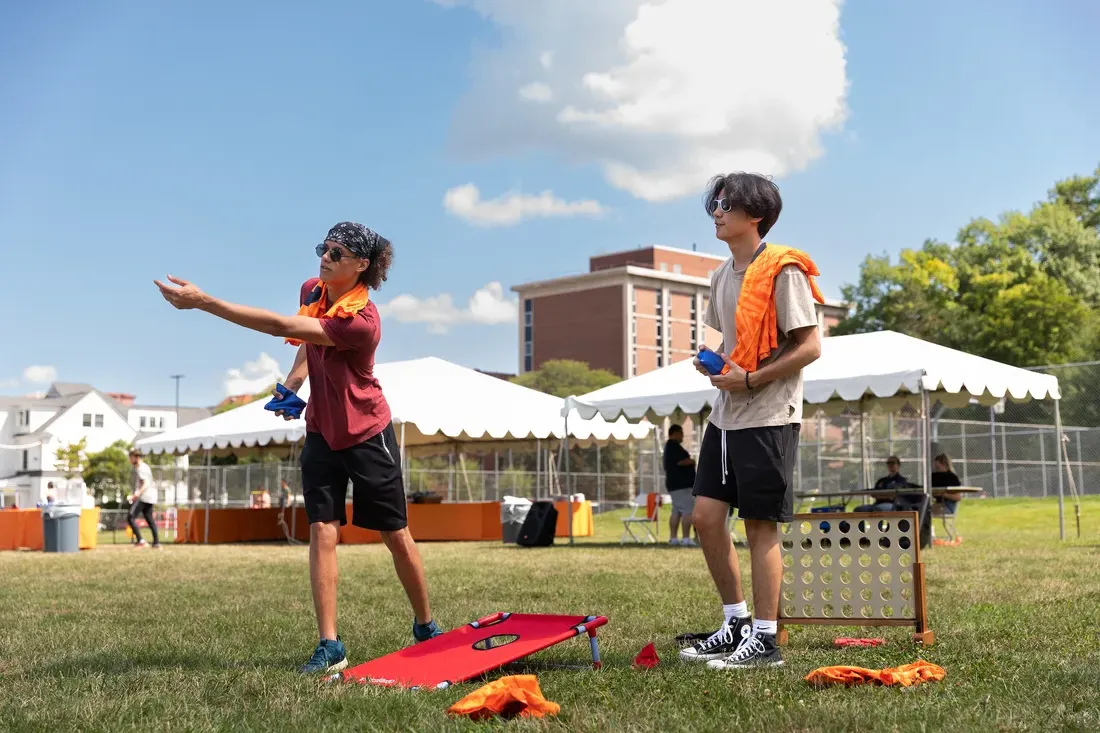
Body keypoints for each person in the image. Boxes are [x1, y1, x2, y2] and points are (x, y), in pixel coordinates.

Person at [155, 221, 441, 675]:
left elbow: (282, 326)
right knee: (322, 531)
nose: (324, 258)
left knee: (395, 535)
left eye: (337, 252)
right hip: (323, 433)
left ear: (362, 265)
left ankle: (426, 627)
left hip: (368, 432)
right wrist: (293, 383)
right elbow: (306, 336)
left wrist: (206, 302)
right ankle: (330, 645)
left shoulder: (362, 322)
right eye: (323, 248)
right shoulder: (315, 288)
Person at [679, 172, 823, 670]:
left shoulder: (784, 271)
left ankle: (766, 640)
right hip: (726, 415)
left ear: (754, 214)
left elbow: (810, 346)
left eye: (725, 204)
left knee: (760, 526)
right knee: (705, 517)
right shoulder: (721, 276)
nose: (716, 211)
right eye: (713, 204)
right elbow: (734, 343)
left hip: (767, 414)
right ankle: (735, 623)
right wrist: (714, 360)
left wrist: (752, 378)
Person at [663, 424, 698, 546]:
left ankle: (673, 538)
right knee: (688, 511)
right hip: (682, 485)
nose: (682, 436)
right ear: (675, 433)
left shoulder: (669, 447)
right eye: (681, 433)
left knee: (676, 511)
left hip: (674, 485)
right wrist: (691, 461)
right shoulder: (673, 447)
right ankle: (686, 538)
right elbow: (680, 462)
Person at [127, 449, 162, 549]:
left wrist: (137, 494)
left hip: (144, 497)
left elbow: (145, 483)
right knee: (150, 519)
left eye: (131, 457)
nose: (130, 460)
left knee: (131, 516)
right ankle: (156, 543)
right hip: (150, 496)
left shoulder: (141, 468)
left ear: (136, 457)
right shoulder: (144, 466)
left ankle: (141, 541)